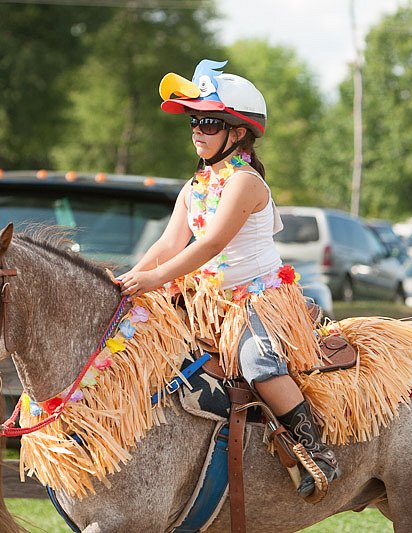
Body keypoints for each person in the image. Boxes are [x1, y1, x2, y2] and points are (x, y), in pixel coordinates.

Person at [117, 59, 340, 500]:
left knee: (258, 363)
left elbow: (211, 244)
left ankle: (318, 452)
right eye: (194, 122)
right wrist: (129, 280)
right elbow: (168, 242)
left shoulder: (244, 182)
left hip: (256, 301)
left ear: (237, 132)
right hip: (204, 300)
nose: (196, 130)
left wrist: (157, 278)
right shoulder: (195, 184)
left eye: (208, 122)